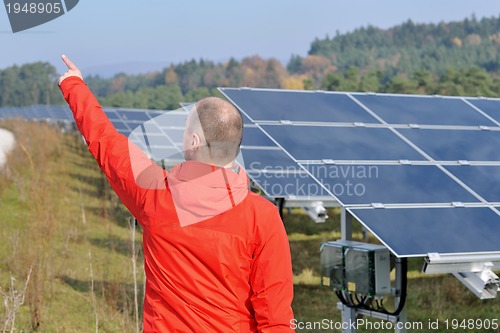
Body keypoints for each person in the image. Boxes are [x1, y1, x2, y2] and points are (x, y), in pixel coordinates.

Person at [58, 55, 295, 332]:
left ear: (194, 141)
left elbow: (106, 142)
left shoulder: (155, 195)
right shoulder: (263, 217)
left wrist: (74, 85)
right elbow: (276, 317)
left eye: (185, 130)